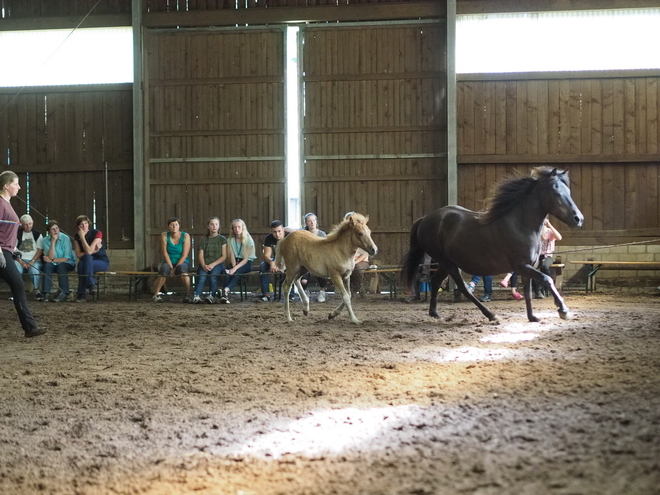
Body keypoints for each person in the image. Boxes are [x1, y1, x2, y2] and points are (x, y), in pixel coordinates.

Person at [0, 171, 46, 337]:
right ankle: (30, 327)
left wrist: (14, 249)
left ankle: (30, 327)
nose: (19, 187)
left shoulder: (7, 203)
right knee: (18, 285)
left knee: (17, 285)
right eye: (16, 183)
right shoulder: (0, 203)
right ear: (6, 185)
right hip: (1, 252)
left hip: (7, 251)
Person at [152, 217, 192, 303]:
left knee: (182, 269)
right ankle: (156, 295)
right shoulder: (164, 235)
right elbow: (165, 253)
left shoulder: (185, 236)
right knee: (164, 270)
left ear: (179, 226)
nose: (174, 227)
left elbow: (184, 254)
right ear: (168, 226)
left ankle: (188, 295)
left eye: (176, 224)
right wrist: (171, 267)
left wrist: (175, 268)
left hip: (182, 261)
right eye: (172, 225)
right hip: (168, 261)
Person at [73, 215, 110, 302]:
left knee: (84, 262)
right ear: (79, 227)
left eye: (86, 223)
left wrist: (82, 238)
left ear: (89, 224)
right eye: (81, 224)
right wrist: (93, 250)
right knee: (84, 261)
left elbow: (88, 252)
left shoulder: (97, 233)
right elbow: (78, 254)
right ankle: (91, 285)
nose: (84, 226)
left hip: (101, 261)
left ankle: (81, 294)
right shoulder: (76, 236)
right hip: (87, 262)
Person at [220, 219, 256, 304]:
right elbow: (232, 256)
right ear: (232, 229)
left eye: (239, 227)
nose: (237, 229)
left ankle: (225, 291)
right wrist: (233, 266)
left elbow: (246, 259)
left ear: (243, 228)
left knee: (236, 273)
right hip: (235, 261)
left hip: (245, 263)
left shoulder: (248, 240)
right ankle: (225, 296)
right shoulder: (230, 240)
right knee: (228, 273)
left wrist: (235, 268)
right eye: (235, 227)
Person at [192, 216, 227, 304]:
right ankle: (197, 296)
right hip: (205, 264)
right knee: (201, 277)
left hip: (217, 264)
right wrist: (203, 265)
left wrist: (213, 264)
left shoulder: (222, 239)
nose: (214, 226)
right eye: (212, 224)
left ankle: (212, 295)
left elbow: (224, 256)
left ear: (219, 226)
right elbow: (200, 254)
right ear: (208, 226)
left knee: (213, 277)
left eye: (216, 224)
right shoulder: (203, 239)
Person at [42, 220, 76, 303]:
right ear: (49, 232)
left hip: (67, 263)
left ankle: (64, 292)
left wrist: (52, 260)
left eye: (57, 228)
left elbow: (66, 258)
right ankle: (46, 293)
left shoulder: (65, 238)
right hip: (53, 264)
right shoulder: (45, 240)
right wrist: (53, 242)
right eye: (52, 229)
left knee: (61, 266)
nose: (55, 231)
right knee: (47, 266)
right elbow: (50, 256)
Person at [14, 214, 44, 300]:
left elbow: (40, 250)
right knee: (16, 270)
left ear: (33, 223)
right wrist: (20, 261)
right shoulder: (17, 234)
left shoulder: (37, 234)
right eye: (26, 224)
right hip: (20, 259)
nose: (28, 226)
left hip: (34, 260)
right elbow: (13, 248)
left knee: (34, 271)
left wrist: (32, 261)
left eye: (30, 223)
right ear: (22, 225)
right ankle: (17, 291)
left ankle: (37, 291)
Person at [299, 212, 328, 302]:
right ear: (306, 223)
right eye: (309, 221)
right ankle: (304, 292)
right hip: (306, 261)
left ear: (316, 221)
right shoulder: (303, 233)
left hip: (319, 261)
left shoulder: (322, 234)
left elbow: (325, 249)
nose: (312, 222)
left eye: (313, 220)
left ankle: (322, 291)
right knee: (303, 281)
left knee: (322, 273)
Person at [258, 220, 288, 302]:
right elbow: (266, 255)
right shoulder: (268, 238)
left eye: (279, 231)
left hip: (288, 260)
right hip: (276, 260)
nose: (277, 234)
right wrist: (272, 263)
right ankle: (266, 294)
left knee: (291, 268)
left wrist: (281, 264)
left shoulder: (289, 237)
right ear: (271, 231)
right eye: (274, 232)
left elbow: (292, 256)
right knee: (263, 266)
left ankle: (290, 295)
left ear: (283, 230)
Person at [533, 218, 563, 299]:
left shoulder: (550, 231)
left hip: (548, 255)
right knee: (531, 269)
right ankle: (537, 291)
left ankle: (547, 286)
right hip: (537, 255)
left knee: (544, 267)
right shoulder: (536, 231)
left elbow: (559, 237)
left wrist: (549, 225)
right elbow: (538, 240)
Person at [345, 212, 370, 298]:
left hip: (360, 260)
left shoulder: (360, 235)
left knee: (357, 269)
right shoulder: (344, 238)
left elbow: (364, 254)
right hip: (347, 260)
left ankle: (356, 289)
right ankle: (352, 289)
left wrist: (354, 262)